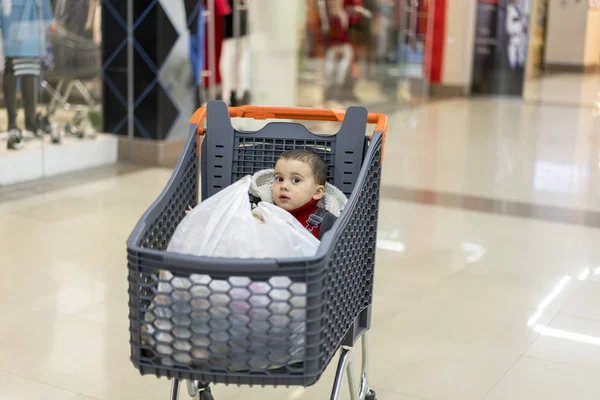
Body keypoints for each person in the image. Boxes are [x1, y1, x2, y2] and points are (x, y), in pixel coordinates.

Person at [272, 149, 337, 239]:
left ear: (317, 192)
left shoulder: (327, 223)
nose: (283, 186)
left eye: (296, 180)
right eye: (279, 179)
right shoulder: (262, 214)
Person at [506, 0, 527, 70]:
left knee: (521, 51)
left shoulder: (520, 9)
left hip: (521, 34)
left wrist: (524, 26)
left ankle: (519, 65)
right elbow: (509, 22)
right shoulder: (510, 8)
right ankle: (512, 66)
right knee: (512, 50)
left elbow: (523, 21)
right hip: (514, 34)